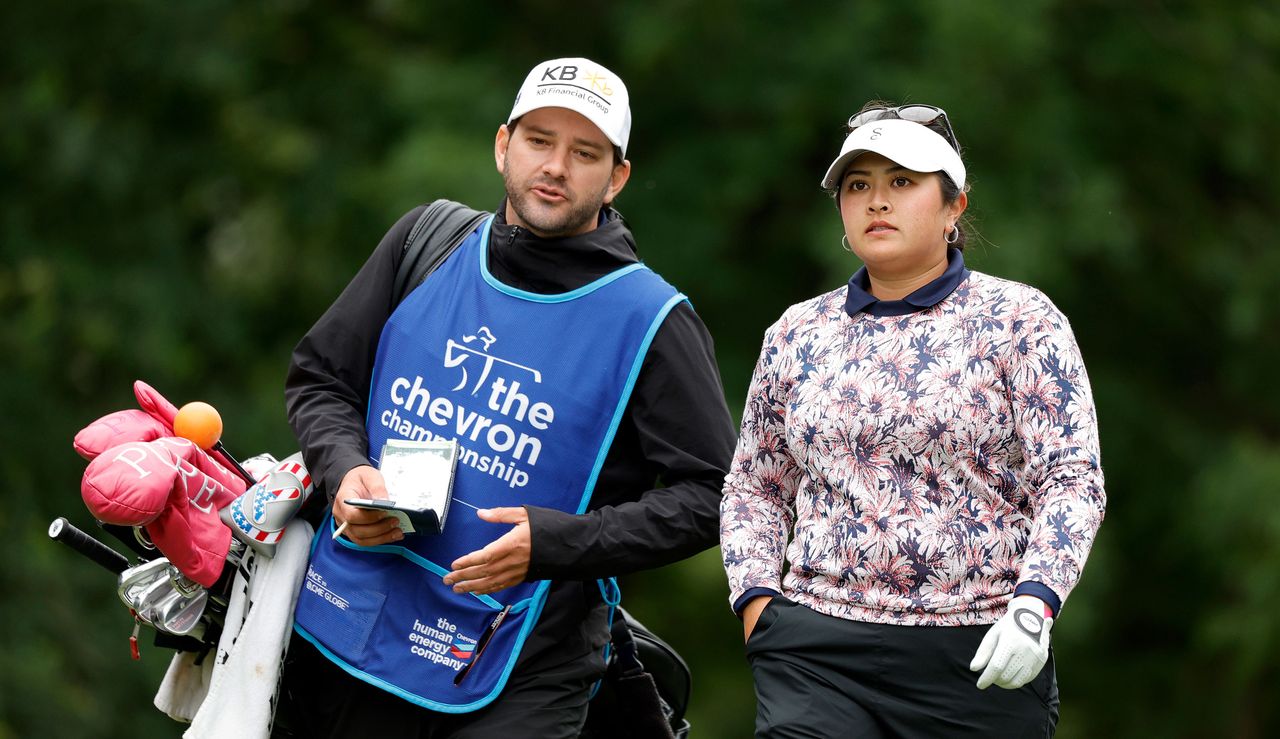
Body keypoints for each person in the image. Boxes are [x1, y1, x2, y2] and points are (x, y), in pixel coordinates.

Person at [274, 57, 735, 738]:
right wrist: (344, 472)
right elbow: (320, 377)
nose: (556, 166)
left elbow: (715, 493)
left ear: (617, 177)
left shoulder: (652, 320)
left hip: (522, 664)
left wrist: (555, 543)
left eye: (585, 153)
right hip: (349, 617)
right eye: (539, 140)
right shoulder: (426, 241)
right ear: (502, 146)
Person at [719, 102, 1106, 738]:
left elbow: (1071, 479)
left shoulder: (1022, 321)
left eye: (902, 183)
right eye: (858, 185)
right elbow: (755, 487)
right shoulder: (798, 331)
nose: (877, 201)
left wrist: (1037, 602)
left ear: (954, 206)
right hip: (817, 651)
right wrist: (758, 605)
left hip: (978, 655)